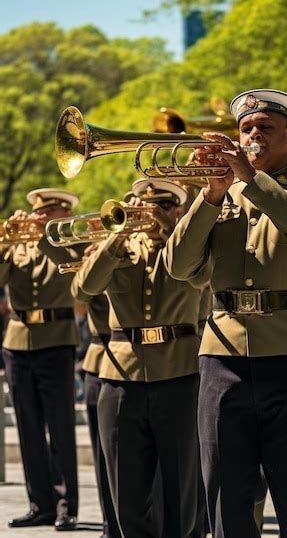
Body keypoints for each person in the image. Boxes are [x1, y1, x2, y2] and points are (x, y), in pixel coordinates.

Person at [164, 89, 287, 538]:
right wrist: (208, 196)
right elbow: (180, 266)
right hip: (222, 359)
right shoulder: (220, 195)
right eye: (245, 129)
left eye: (264, 127)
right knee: (227, 501)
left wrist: (248, 180)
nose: (253, 135)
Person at [75, 179, 209, 538]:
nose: (151, 213)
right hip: (121, 377)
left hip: (178, 374)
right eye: (143, 206)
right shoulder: (118, 248)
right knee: (127, 496)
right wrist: (114, 237)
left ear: (177, 210)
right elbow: (84, 288)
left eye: (163, 207)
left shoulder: (190, 246)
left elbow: (204, 282)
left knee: (180, 495)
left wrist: (171, 230)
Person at [0, 188, 82, 530]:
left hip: (57, 340)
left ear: (65, 214)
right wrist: (6, 242)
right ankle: (40, 504)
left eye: (52, 212)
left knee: (61, 428)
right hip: (18, 342)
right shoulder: (18, 247)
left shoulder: (72, 243)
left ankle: (66, 505)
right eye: (41, 212)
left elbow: (71, 268)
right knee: (28, 427)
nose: (44, 217)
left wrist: (45, 234)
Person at [71, 244, 121, 538]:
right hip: (99, 358)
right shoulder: (97, 254)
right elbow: (83, 292)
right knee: (103, 453)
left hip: (144, 357)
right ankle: (110, 523)